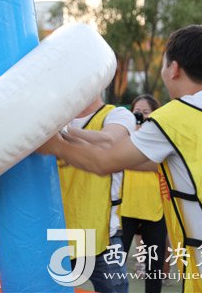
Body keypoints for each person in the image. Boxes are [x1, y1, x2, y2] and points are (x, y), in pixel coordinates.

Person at [40, 25, 202, 293]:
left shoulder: (174, 117)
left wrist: (53, 144)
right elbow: (152, 162)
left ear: (173, 69)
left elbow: (104, 161)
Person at [57, 95, 135, 293]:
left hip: (103, 235)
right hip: (58, 233)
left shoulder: (117, 114)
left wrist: (62, 131)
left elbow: (109, 141)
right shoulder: (56, 117)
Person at [121, 94, 167, 293]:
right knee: (115, 262)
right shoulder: (123, 135)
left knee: (154, 267)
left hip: (154, 209)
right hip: (126, 207)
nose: (140, 115)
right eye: (137, 111)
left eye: (146, 112)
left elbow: (160, 165)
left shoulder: (161, 137)